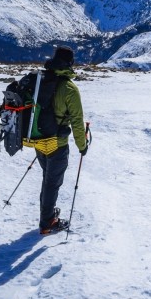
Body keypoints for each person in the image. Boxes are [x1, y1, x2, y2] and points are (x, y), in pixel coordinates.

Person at [34, 45, 88, 234]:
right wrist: (83, 146)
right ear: (70, 64)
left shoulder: (42, 80)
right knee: (52, 182)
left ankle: (47, 213)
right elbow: (77, 122)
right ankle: (47, 222)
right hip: (57, 143)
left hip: (39, 139)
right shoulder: (69, 89)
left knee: (47, 178)